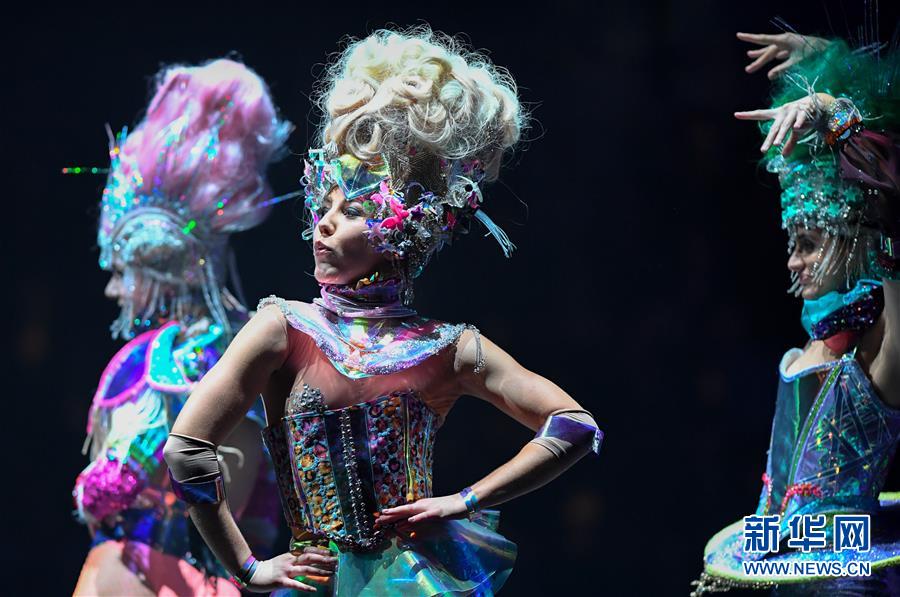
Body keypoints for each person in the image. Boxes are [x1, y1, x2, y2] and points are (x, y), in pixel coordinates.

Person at [164, 27, 602, 595]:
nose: (323, 223)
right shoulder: (283, 328)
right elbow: (187, 449)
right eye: (324, 204)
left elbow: (573, 424)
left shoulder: (446, 347)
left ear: (403, 230)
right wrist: (249, 569)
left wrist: (465, 500)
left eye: (350, 211)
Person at [72, 58, 291, 596]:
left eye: (124, 273)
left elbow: (233, 493)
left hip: (176, 575)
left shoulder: (216, 354)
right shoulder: (151, 358)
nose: (114, 291)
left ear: (167, 268)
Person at [693, 32, 900, 595]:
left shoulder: (883, 352)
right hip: (777, 560)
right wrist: (832, 63)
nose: (793, 261)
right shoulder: (824, 339)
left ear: (856, 236)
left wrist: (832, 108)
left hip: (837, 575)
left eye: (808, 244)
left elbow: (891, 198)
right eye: (792, 243)